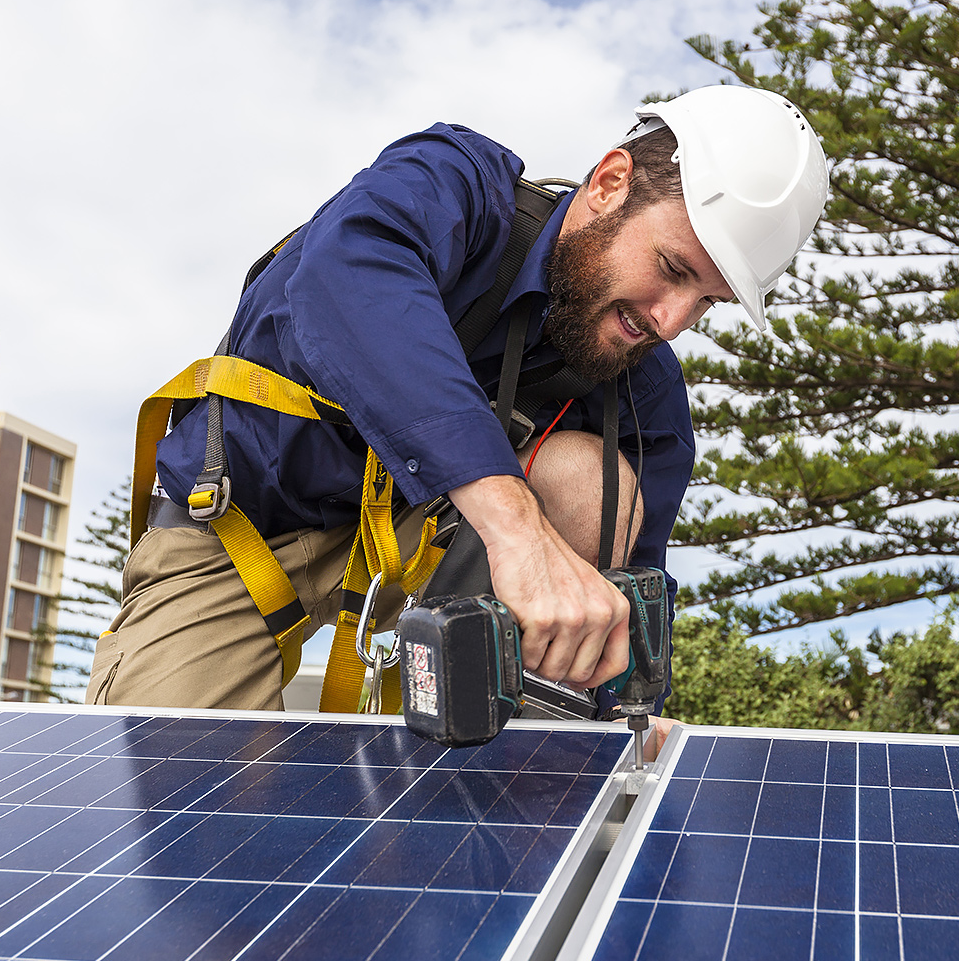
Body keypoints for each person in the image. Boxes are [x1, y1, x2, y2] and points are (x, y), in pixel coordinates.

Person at [87, 85, 828, 729]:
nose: (671, 320)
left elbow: (630, 595)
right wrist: (516, 532)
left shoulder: (646, 389)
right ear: (609, 183)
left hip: (432, 563)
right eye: (672, 268)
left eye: (706, 301)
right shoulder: (454, 184)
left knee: (592, 481)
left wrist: (625, 714)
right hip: (242, 531)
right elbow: (349, 280)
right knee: (173, 799)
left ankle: (491, 760)